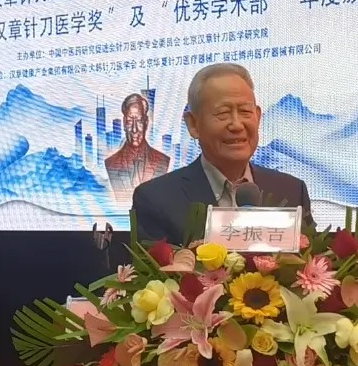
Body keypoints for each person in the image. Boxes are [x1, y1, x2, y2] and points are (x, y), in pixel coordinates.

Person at [131, 64, 312, 244]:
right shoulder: (156, 199)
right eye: (223, 113)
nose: (236, 125)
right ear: (193, 124)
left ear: (257, 117)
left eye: (245, 112)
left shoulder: (291, 191)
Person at [105, 93, 171, 202]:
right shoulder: (111, 163)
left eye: (139, 121)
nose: (134, 129)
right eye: (130, 121)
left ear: (146, 122)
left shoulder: (162, 161)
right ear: (124, 123)